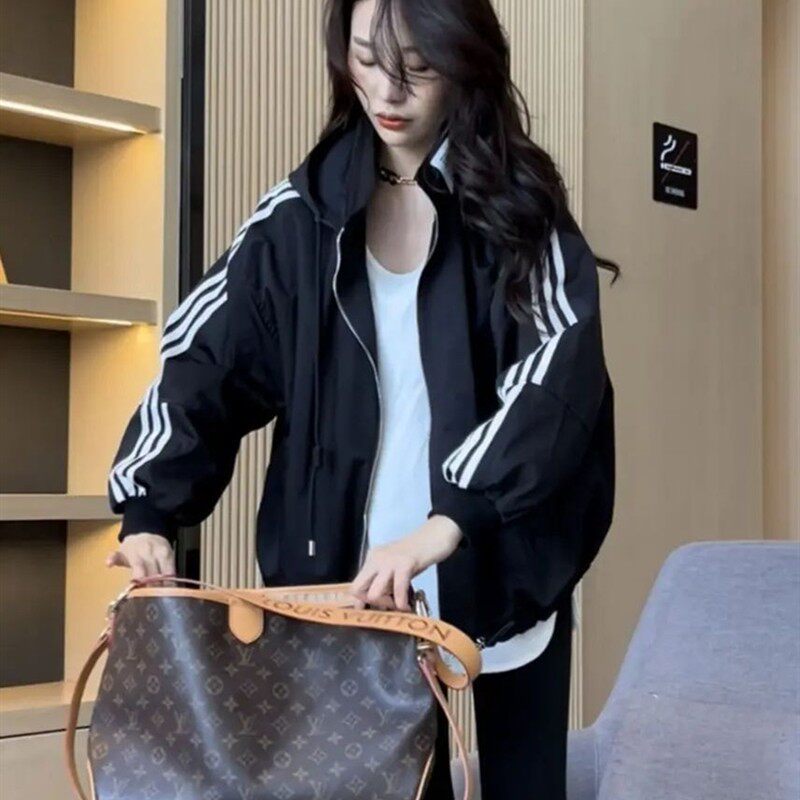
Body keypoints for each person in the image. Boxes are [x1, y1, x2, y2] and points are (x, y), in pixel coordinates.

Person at [105, 0, 618, 796]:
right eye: (367, 61)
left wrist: (450, 521)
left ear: (465, 64)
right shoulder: (299, 217)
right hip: (353, 590)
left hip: (502, 567)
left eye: (418, 68)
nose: (388, 91)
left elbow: (557, 377)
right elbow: (202, 360)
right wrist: (149, 510)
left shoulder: (521, 212)